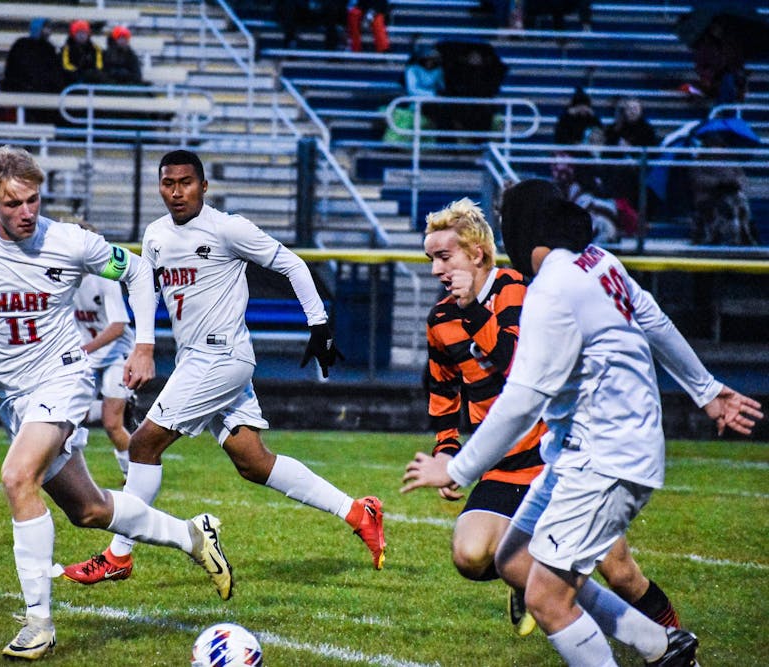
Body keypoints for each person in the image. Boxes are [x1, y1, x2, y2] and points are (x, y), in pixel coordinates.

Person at [402, 178, 763, 666]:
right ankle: (662, 646)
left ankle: (661, 646)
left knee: (550, 597)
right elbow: (652, 317)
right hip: (579, 453)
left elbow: (523, 399)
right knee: (512, 560)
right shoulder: (597, 262)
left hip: (606, 457)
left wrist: (456, 469)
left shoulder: (548, 289)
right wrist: (706, 391)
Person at [0, 145, 234, 660]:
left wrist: (145, 343)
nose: (26, 213)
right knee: (88, 509)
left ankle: (38, 622)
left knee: (17, 478)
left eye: (34, 201)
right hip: (9, 394)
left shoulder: (69, 241)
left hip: (62, 376)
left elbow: (135, 272)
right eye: (13, 203)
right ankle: (193, 537)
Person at [62, 149, 386, 585]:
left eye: (186, 182)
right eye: (168, 183)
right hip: (197, 359)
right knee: (253, 462)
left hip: (220, 358)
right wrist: (144, 346)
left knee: (142, 446)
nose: (176, 192)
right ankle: (357, 511)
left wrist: (319, 325)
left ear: (203, 186)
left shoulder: (227, 228)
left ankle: (119, 555)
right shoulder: (156, 234)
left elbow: (291, 263)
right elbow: (145, 289)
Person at [420, 196, 684, 639]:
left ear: (477, 253)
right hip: (502, 466)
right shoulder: (441, 318)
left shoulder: (523, 289)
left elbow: (518, 367)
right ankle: (530, 578)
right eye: (430, 259)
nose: (435, 270)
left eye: (444, 257)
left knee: (620, 573)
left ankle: (675, 641)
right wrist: (447, 449)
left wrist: (474, 311)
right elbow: (443, 391)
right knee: (469, 554)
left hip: (558, 460)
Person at [72, 267, 137, 482]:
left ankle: (134, 476)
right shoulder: (60, 277)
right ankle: (120, 405)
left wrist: (85, 349)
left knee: (112, 424)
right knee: (74, 415)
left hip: (117, 354)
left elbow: (118, 326)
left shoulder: (105, 281)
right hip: (88, 356)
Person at [4, 17, 65, 94]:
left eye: (49, 28)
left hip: (43, 90)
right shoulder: (21, 45)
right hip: (21, 87)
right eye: (46, 27)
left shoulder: (49, 48)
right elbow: (12, 69)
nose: (49, 31)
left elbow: (55, 73)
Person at [274, 0, 344, 50]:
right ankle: (290, 44)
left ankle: (331, 48)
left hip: (321, 13)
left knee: (332, 7)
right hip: (299, 13)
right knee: (290, 5)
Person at [61, 19, 104, 86]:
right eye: (78, 33)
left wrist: (89, 72)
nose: (81, 36)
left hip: (91, 78)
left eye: (84, 33)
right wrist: (78, 71)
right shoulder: (67, 48)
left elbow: (99, 66)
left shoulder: (95, 49)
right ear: (73, 34)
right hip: (72, 78)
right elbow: (65, 65)